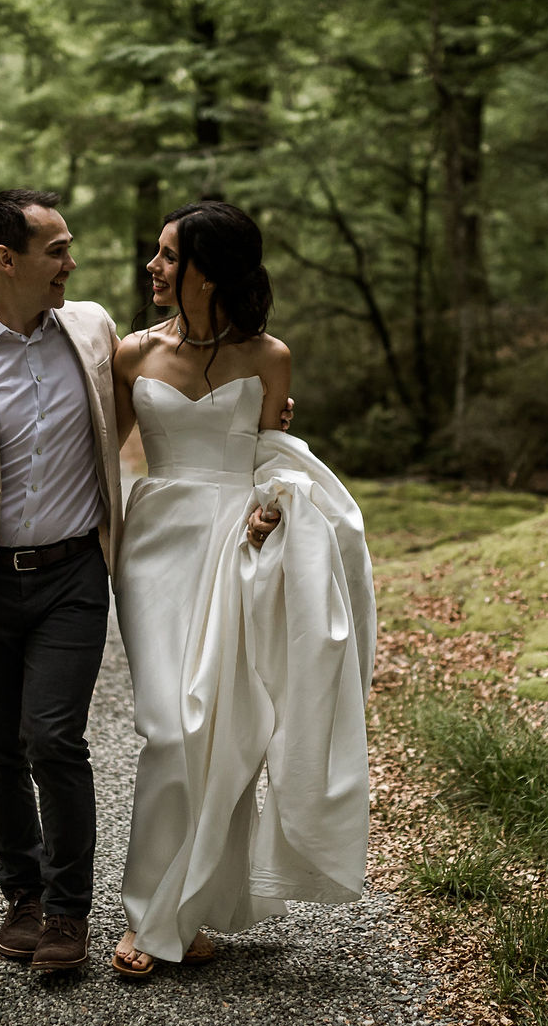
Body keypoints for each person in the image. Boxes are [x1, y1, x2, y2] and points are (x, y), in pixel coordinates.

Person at [0, 189, 279, 974]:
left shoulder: (95, 330)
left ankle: (71, 912)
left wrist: (264, 463)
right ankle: (24, 896)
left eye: (71, 247)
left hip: (78, 568)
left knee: (55, 737)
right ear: (8, 259)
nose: (73, 263)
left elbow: (207, 410)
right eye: (58, 250)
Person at [109, 200, 374, 979]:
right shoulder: (130, 354)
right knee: (169, 723)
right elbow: (95, 454)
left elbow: (273, 457)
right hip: (154, 544)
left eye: (166, 255)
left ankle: (173, 916)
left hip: (236, 543)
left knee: (222, 723)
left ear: (208, 271)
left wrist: (269, 508)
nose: (152, 267)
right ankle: (157, 910)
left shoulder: (270, 356)